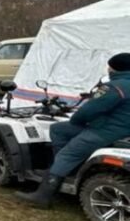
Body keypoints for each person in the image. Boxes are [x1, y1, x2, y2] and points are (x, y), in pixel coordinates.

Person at [17, 53, 130, 207]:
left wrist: (76, 120)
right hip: (121, 131)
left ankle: (43, 196)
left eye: (109, 66)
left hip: (105, 132)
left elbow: (88, 111)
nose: (107, 69)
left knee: (67, 154)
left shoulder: (114, 87)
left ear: (114, 69)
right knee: (59, 129)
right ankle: (63, 169)